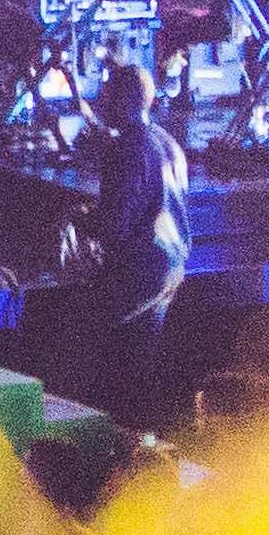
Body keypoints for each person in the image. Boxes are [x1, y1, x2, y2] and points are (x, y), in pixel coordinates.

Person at [79, 57, 187, 414]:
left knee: (92, 355)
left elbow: (115, 227)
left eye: (107, 95)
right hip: (170, 268)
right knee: (140, 365)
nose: (100, 102)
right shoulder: (168, 143)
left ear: (124, 101)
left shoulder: (125, 150)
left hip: (137, 270)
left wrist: (80, 220)